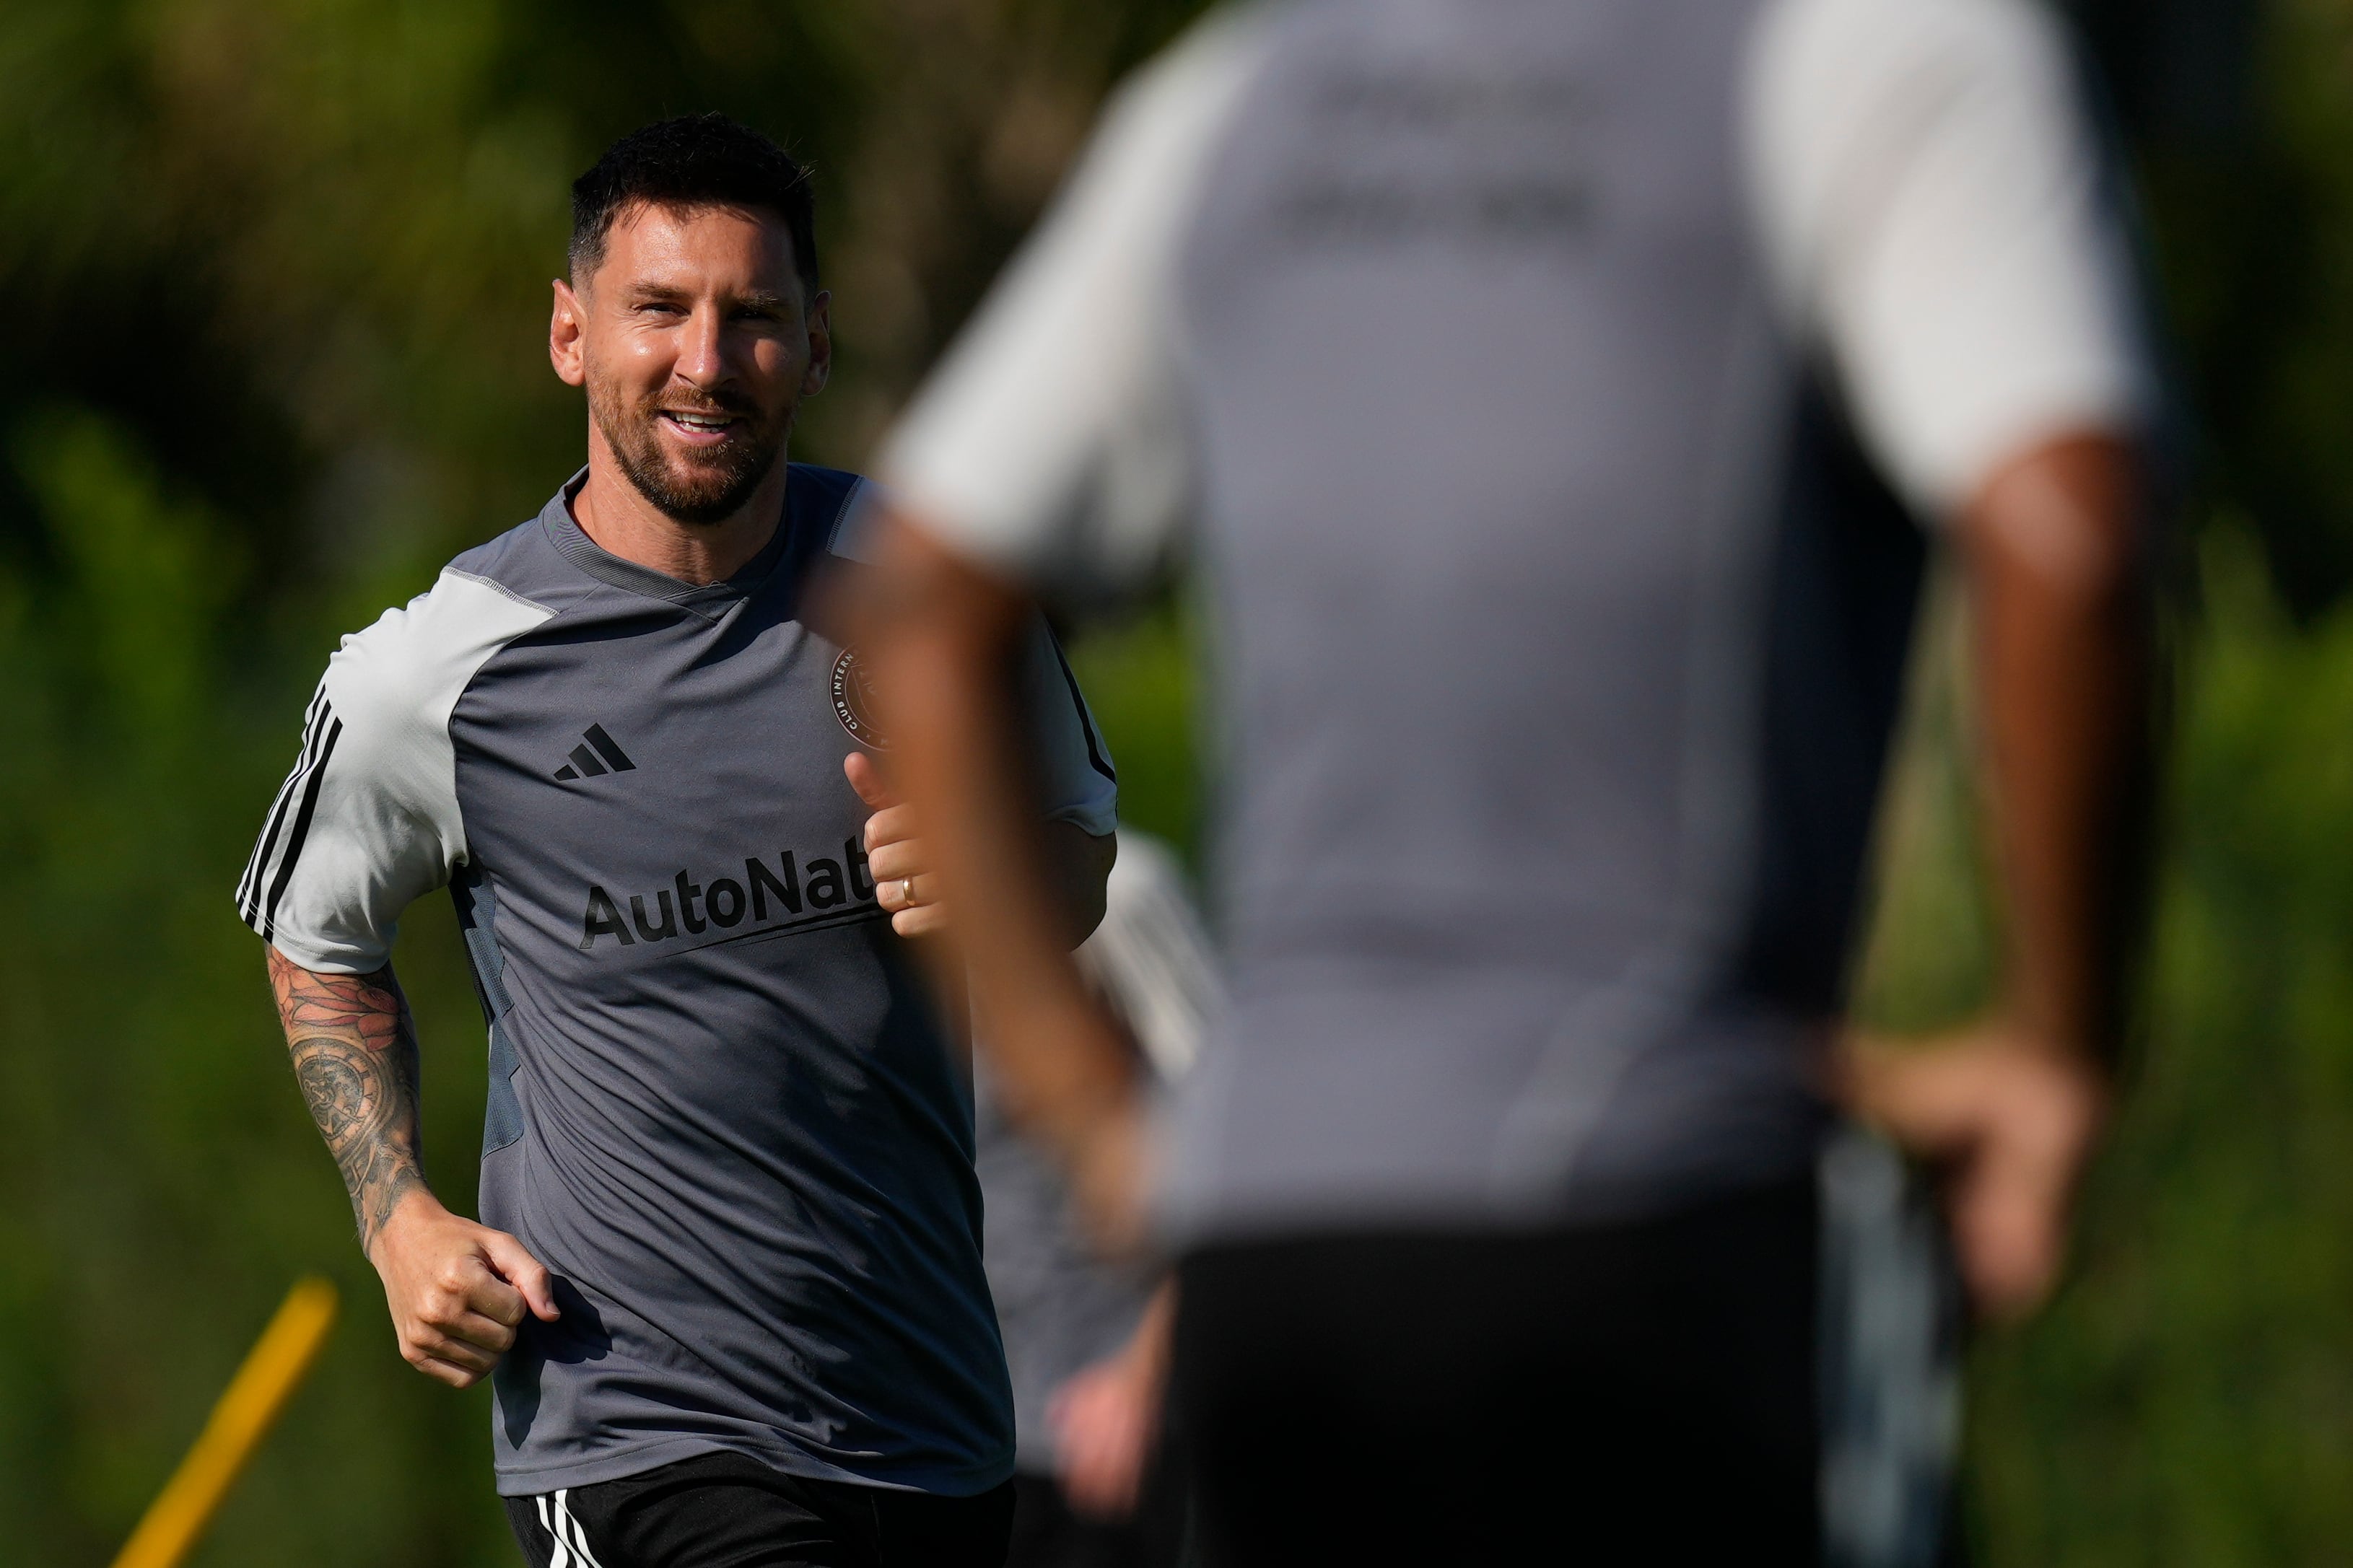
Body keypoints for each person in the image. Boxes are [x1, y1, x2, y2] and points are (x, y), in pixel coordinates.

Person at [847, 0, 2155, 1562]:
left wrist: (1106, 1130)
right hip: (1659, 1213)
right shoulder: (1873, 53)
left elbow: (918, 602)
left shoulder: (1238, 103)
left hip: (1282, 1256)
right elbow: (2071, 546)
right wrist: (2056, 1044)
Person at [235, 113, 1118, 1568]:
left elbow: (1077, 862)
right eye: (660, 310)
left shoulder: (934, 599)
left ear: (817, 345)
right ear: (572, 333)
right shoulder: (434, 671)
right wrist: (399, 1218)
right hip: (630, 1421)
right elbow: (315, 940)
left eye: (753, 317)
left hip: (931, 1417)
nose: (706, 362)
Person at [981, 831, 1211, 1568]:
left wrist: (1135, 1379)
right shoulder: (885, 905)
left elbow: (1220, 1158)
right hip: (968, 1435)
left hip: (1098, 1438)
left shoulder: (1117, 890)